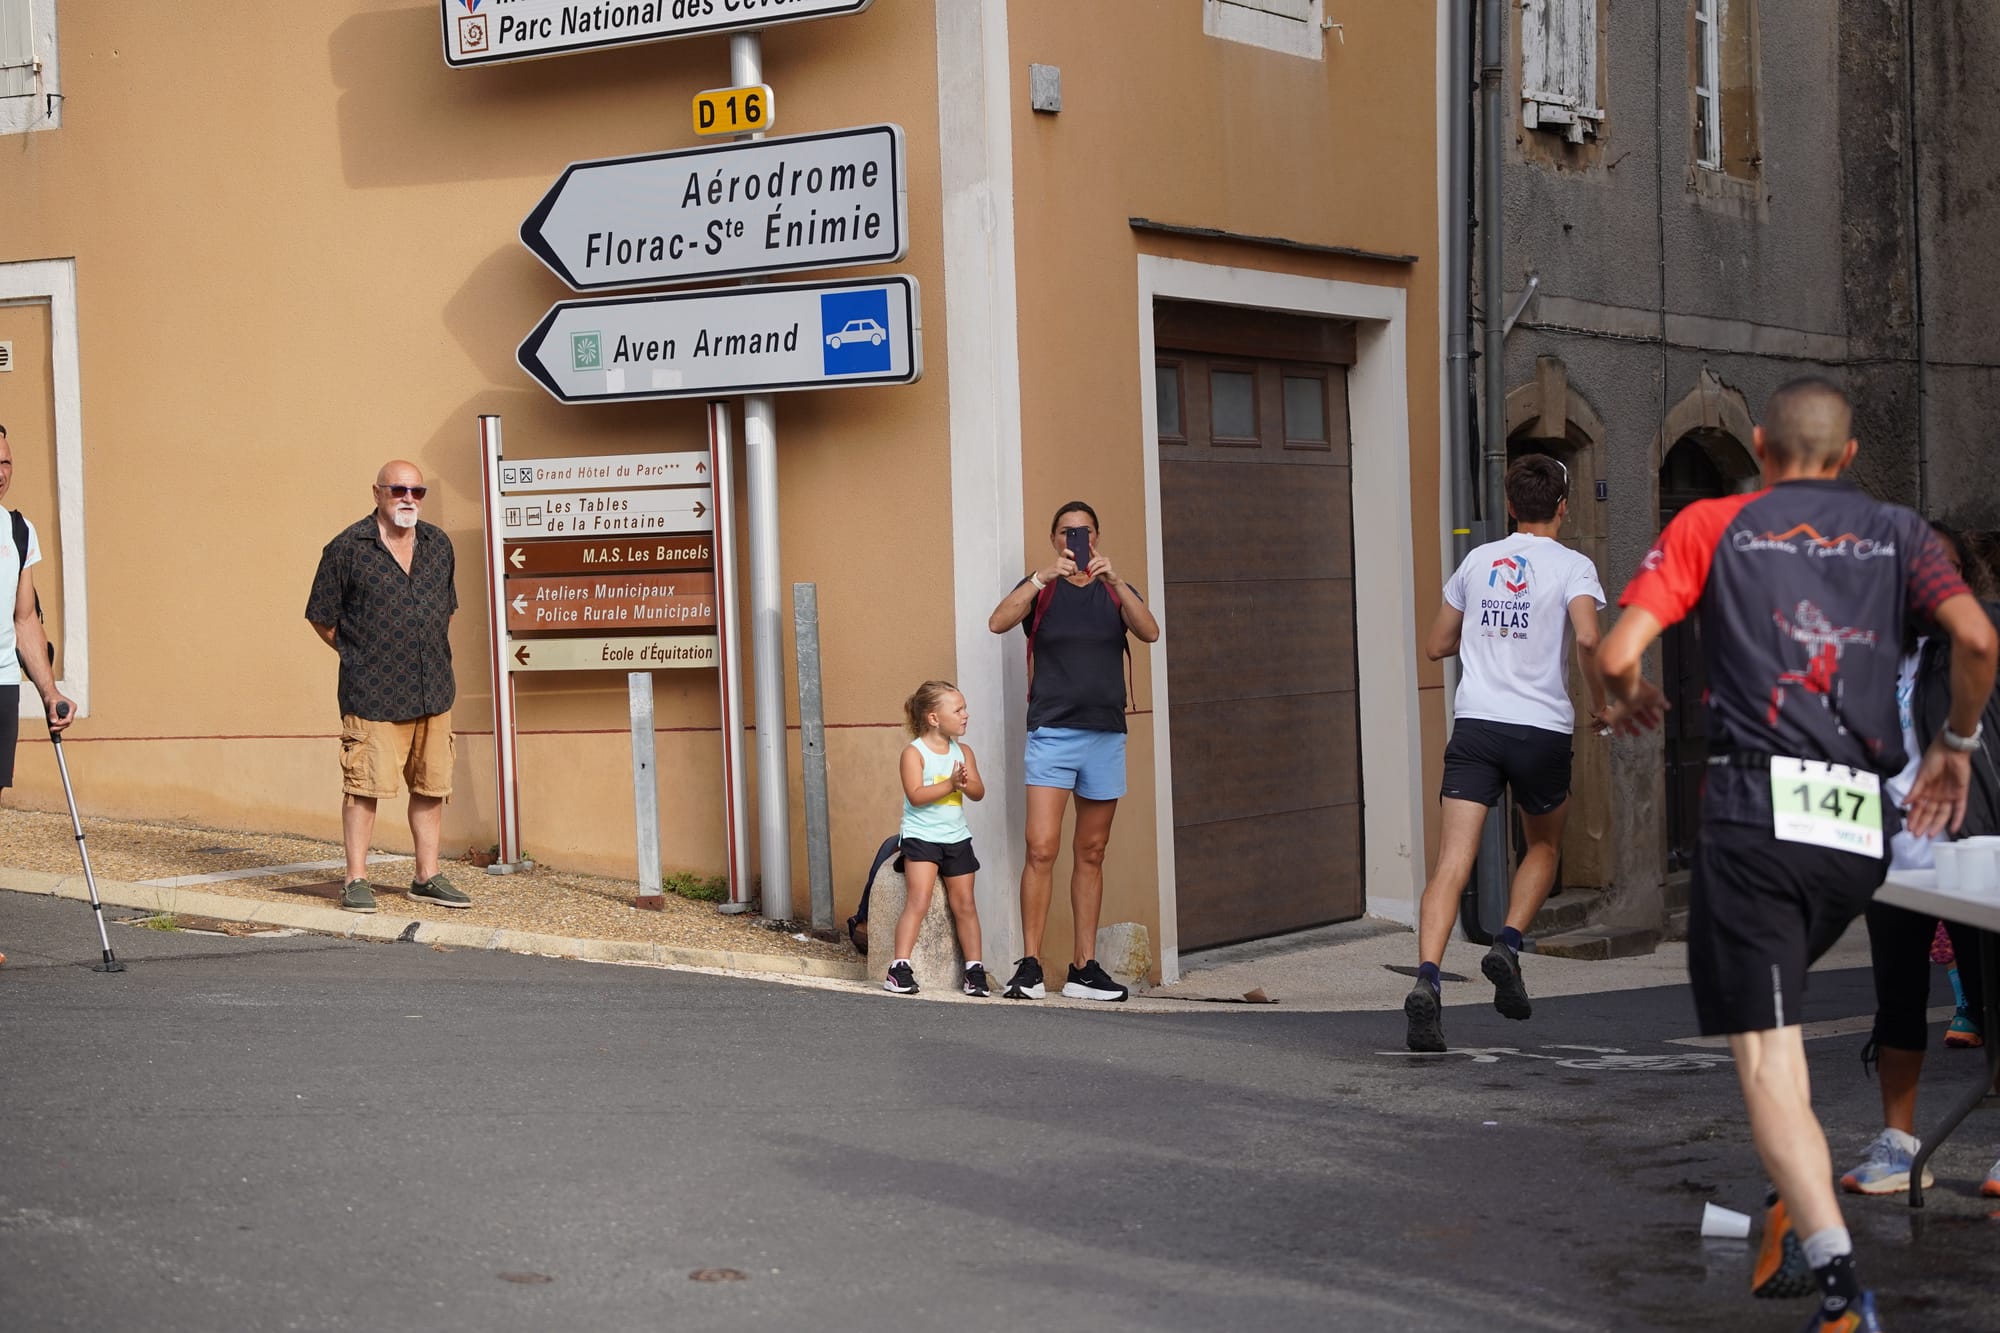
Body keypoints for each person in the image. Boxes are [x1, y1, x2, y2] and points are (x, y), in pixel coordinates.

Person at [1599, 378, 1997, 1333]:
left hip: (1755, 820)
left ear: (1760, 442)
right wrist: (1956, 742)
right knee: (1780, 1016)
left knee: (1769, 1057)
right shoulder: (1898, 532)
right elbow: (1978, 637)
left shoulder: (1711, 524)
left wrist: (1627, 691)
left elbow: (1616, 653)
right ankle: (1792, 1194)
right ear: (1849, 455)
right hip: (1858, 829)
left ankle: (1839, 1285)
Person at [1403, 454, 1607, 1052]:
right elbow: (1588, 636)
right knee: (1543, 845)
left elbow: (1436, 644)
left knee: (1451, 863)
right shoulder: (1574, 566)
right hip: (1540, 731)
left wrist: (1484, 633)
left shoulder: (1478, 560)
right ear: (1563, 507)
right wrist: (1602, 702)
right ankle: (1508, 943)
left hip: (1477, 726)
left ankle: (1428, 978)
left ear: (1511, 506)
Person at [1840, 524, 1997, 1199]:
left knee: (1993, 1001)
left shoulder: (1978, 639)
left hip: (1973, 851)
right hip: (1894, 859)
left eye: (1944, 569)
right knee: (1898, 1003)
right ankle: (1898, 1144)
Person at [987, 501, 1160, 1002]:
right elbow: (998, 622)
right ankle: (1030, 966)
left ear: (1097, 537)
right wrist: (1040, 577)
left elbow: (1149, 631)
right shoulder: (1041, 589)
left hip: (1105, 735)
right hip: (1053, 734)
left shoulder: (1114, 590)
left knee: (1092, 851)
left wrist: (1116, 581)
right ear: (1054, 539)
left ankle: (1083, 968)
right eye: (1066, 532)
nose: (1075, 539)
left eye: (1084, 532)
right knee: (1041, 848)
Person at [305, 461, 470, 915]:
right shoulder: (346, 548)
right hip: (373, 692)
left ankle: (427, 876)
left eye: (417, 491)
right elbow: (321, 616)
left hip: (433, 689)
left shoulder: (438, 544)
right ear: (377, 492)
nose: (408, 498)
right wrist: (361, 654)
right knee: (364, 788)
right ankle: (356, 879)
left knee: (431, 787)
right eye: (398, 490)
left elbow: (445, 609)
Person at [0, 424, 78, 968]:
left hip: (2, 682)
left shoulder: (17, 530)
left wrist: (49, 690)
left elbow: (24, 618)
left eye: (6, 462)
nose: (1, 473)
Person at [885, 680, 990, 997]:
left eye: (964, 708)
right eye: (957, 710)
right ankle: (899, 967)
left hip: (956, 838)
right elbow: (916, 795)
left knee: (965, 903)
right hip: (922, 837)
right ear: (933, 718)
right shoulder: (914, 753)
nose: (965, 715)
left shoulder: (964, 752)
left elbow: (978, 793)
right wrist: (950, 783)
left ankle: (974, 970)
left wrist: (965, 783)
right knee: (919, 900)